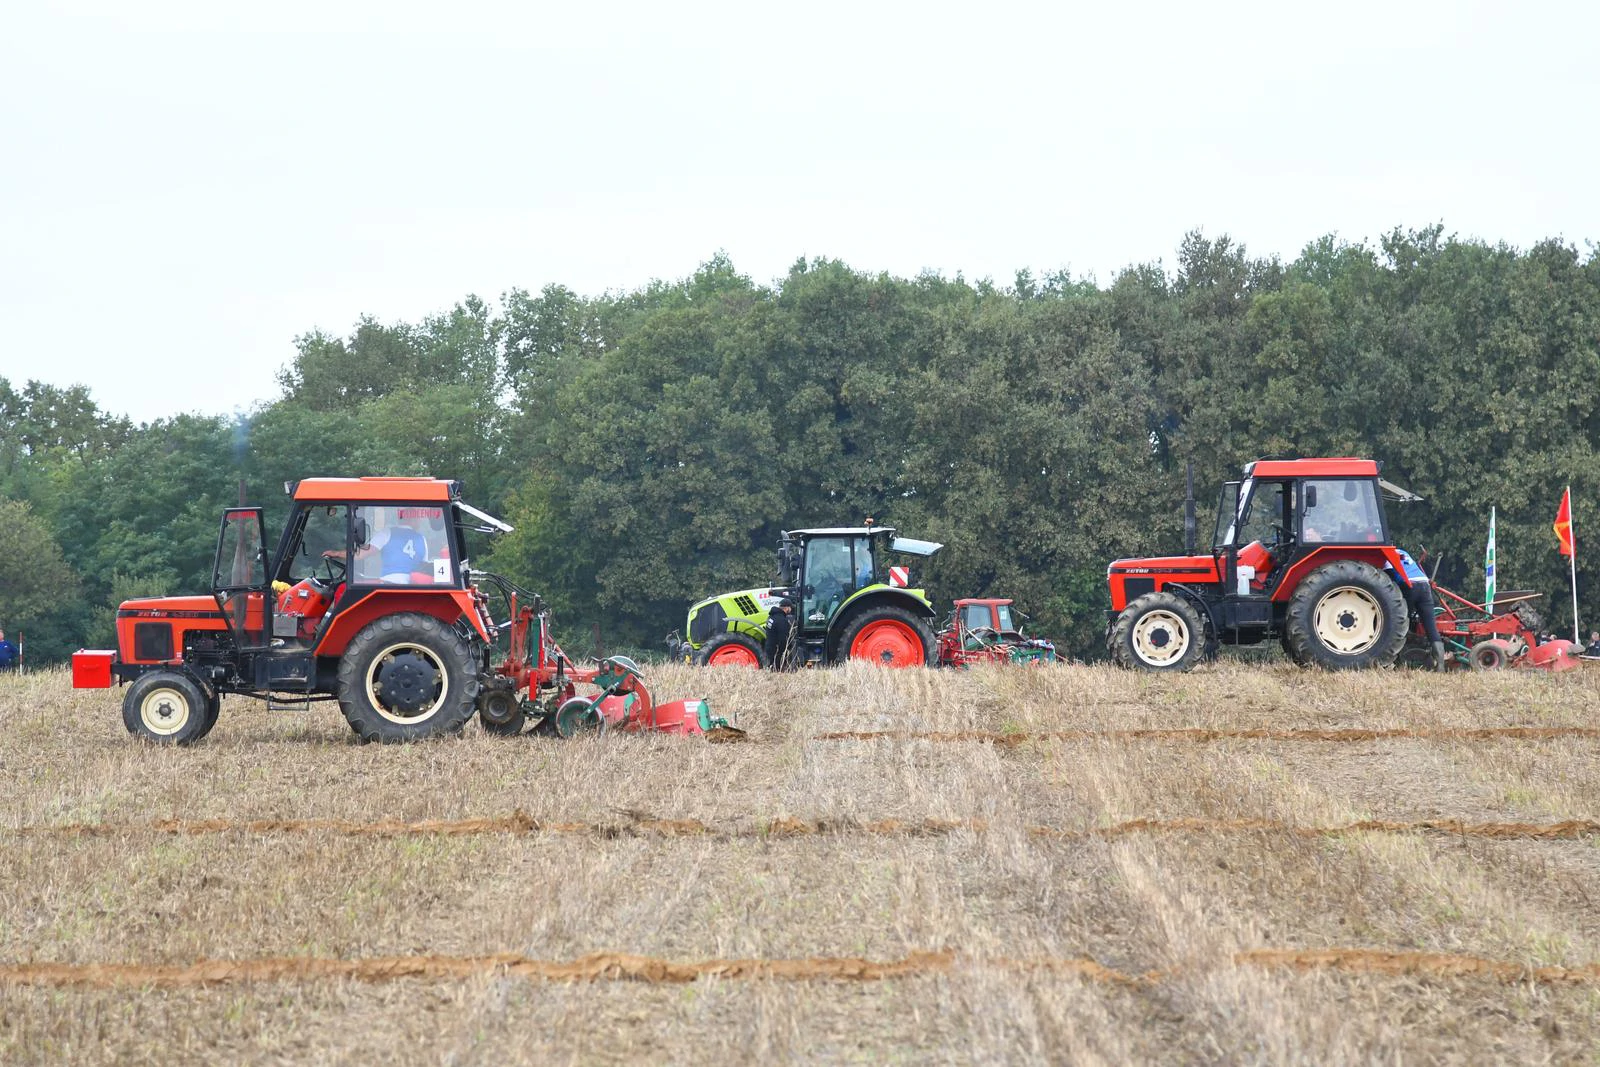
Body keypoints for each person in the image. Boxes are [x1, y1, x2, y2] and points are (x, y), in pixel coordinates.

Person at [1389, 549, 1447, 670]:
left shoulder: (1386, 557)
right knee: (1430, 627)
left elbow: (1388, 582)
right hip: (1424, 585)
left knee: (1402, 624)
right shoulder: (1402, 552)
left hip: (1409, 586)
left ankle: (1401, 658)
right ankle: (1441, 665)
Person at [764, 599, 794, 671]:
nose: (791, 610)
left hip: (769, 647)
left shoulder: (771, 617)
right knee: (777, 671)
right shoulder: (781, 620)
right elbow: (783, 638)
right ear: (786, 608)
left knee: (772, 669)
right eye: (790, 608)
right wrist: (785, 650)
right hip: (776, 651)